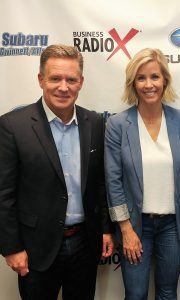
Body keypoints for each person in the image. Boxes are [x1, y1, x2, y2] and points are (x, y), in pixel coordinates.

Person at [0, 44, 114, 300]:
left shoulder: (94, 123)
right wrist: (12, 248)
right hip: (36, 249)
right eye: (55, 78)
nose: (63, 87)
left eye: (71, 79)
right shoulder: (12, 126)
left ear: (81, 82)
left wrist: (106, 229)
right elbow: (3, 195)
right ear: (41, 80)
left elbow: (99, 184)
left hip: (86, 243)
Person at [105, 48, 180, 300]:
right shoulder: (117, 124)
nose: (149, 84)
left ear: (165, 80)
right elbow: (113, 181)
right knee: (135, 294)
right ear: (132, 83)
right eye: (141, 78)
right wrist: (125, 229)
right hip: (136, 225)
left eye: (155, 77)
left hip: (174, 224)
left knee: (168, 292)